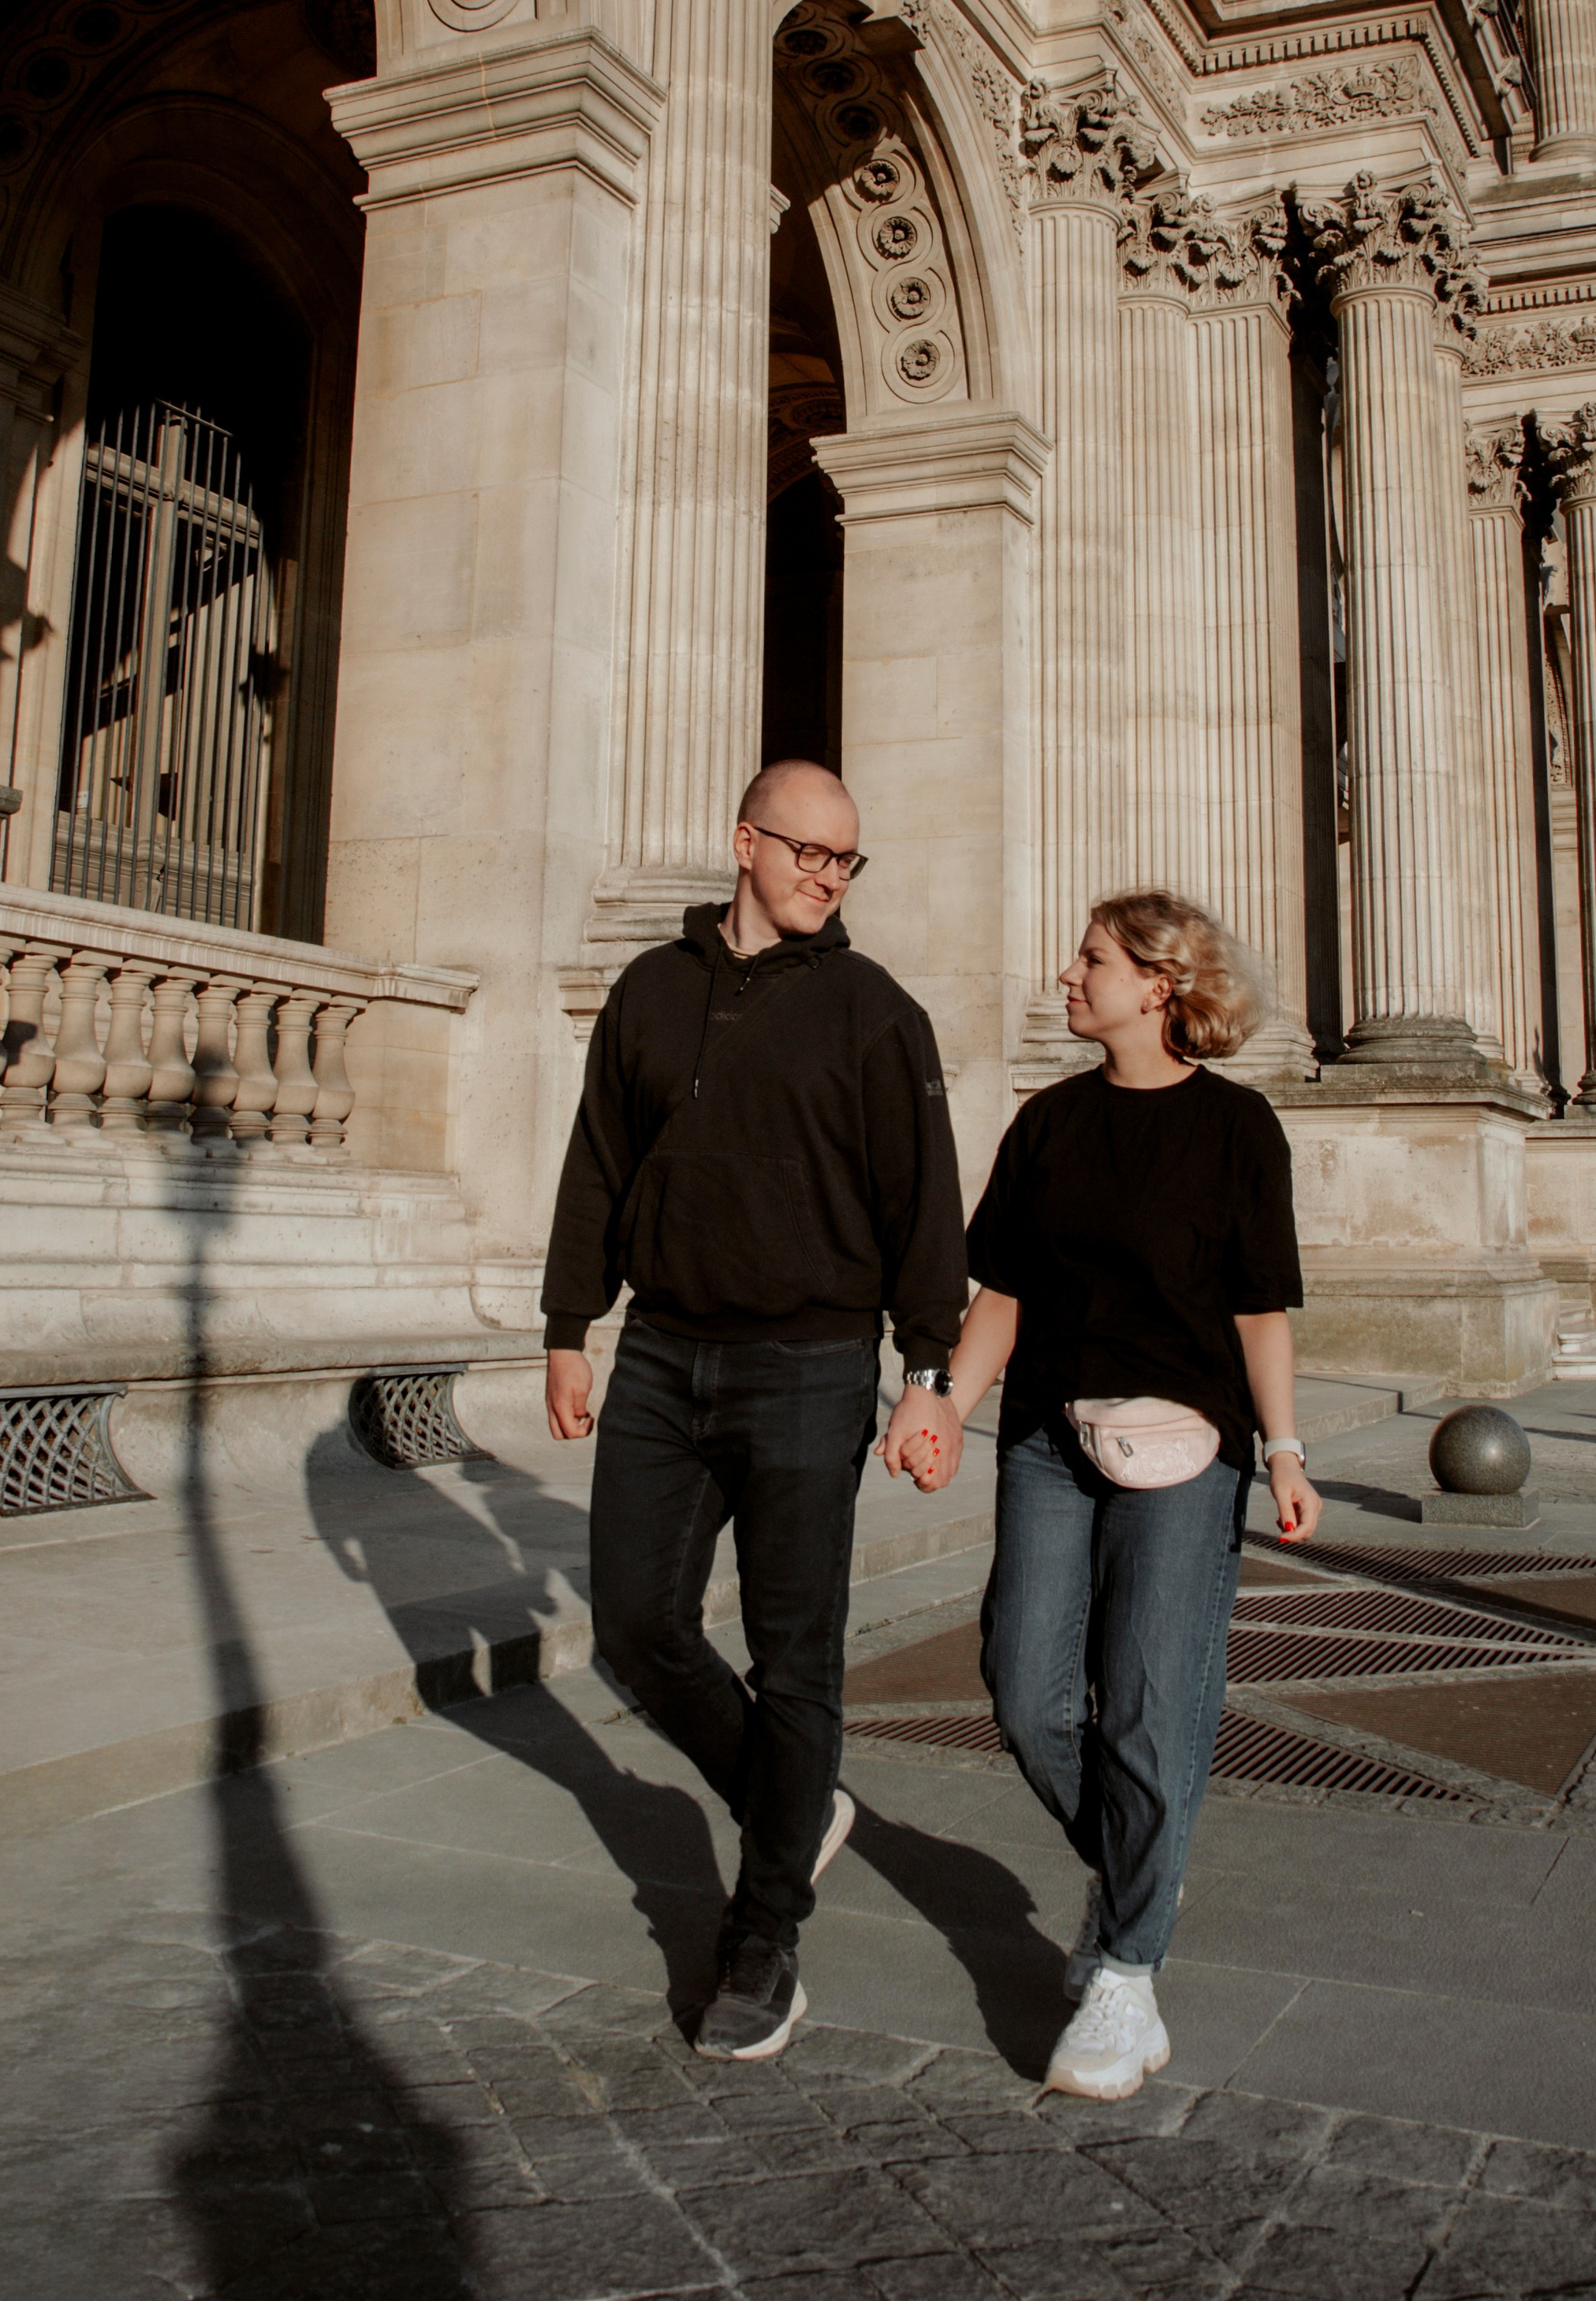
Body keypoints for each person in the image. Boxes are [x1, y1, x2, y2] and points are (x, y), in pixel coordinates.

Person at [542, 759, 969, 2060]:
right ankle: (796, 1804)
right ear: (744, 842)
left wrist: (929, 1374)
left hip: (811, 1365)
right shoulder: (650, 990)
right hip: (665, 1355)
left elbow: (924, 1206)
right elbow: (598, 1160)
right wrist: (571, 1326)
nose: (823, 878)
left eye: (844, 862)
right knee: (636, 1623)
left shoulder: (875, 1013)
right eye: (805, 853)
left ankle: (765, 1930)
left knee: (799, 1657)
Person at [947, 889, 1321, 2102]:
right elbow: (999, 1289)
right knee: (1021, 1683)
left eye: (1093, 959)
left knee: (1151, 1711)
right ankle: (1138, 1871)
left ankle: (1127, 1970)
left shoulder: (1236, 1128)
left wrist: (1285, 1451)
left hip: (1187, 1450)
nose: (1069, 974)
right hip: (1049, 1438)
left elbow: (1259, 1306)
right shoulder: (1046, 1123)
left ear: (1159, 985)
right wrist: (943, 1405)